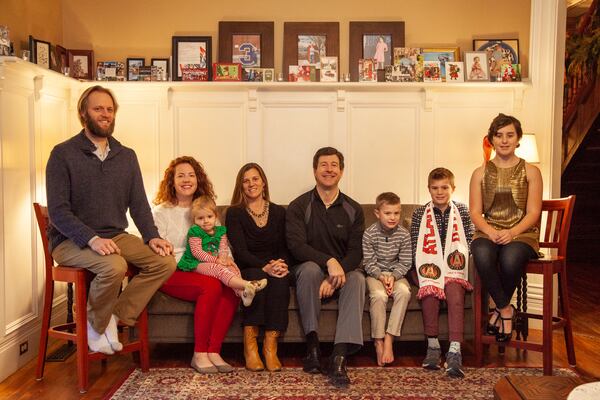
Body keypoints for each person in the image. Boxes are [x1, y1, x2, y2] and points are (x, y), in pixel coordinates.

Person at [45, 85, 176, 355]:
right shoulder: (62, 154)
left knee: (164, 261)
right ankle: (95, 325)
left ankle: (112, 319)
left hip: (115, 235)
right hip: (71, 240)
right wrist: (91, 239)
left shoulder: (126, 156)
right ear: (83, 114)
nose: (105, 114)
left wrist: (152, 237)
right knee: (114, 266)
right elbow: (58, 212)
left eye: (109, 109)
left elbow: (139, 205)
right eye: (98, 109)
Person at [286, 147, 365, 388]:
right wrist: (328, 263)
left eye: (334, 165)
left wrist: (335, 273)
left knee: (359, 279)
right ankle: (312, 348)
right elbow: (296, 245)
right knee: (309, 268)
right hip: (310, 271)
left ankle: (339, 357)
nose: (329, 169)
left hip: (342, 272)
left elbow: (356, 252)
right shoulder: (299, 206)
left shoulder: (354, 209)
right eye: (323, 165)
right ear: (314, 170)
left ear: (341, 171)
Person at [153, 156, 239, 373]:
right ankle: (199, 353)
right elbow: (155, 249)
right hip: (173, 269)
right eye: (180, 175)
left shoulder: (205, 209)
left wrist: (228, 262)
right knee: (210, 286)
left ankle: (213, 351)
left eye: (191, 175)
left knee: (230, 287)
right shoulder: (160, 212)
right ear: (171, 181)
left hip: (206, 266)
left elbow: (221, 243)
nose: (186, 180)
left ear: (198, 179)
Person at [469, 113, 542, 343]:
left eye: (510, 135)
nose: (504, 140)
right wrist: (491, 232)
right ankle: (505, 309)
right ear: (491, 139)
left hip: (522, 233)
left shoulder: (531, 171)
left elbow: (533, 213)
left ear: (518, 138)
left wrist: (512, 232)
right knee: (480, 252)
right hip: (488, 231)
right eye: (499, 135)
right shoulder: (480, 172)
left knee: (511, 258)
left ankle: (498, 312)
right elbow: (474, 212)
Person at [226, 163, 293, 372]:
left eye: (255, 179)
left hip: (274, 265)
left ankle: (270, 348)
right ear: (241, 186)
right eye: (246, 181)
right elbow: (240, 251)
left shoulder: (279, 212)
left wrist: (279, 265)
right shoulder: (234, 213)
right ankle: (251, 347)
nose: (251, 184)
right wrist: (264, 267)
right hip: (248, 266)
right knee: (256, 280)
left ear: (263, 182)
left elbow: (286, 246)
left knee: (280, 280)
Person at [411, 168, 474, 378]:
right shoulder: (420, 213)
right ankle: (433, 346)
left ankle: (455, 350)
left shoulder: (462, 212)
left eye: (444, 187)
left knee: (455, 290)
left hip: (453, 268)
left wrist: (453, 269)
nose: (440, 192)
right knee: (430, 288)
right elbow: (414, 246)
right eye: (435, 188)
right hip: (426, 265)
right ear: (428, 189)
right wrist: (427, 269)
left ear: (453, 188)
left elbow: (469, 242)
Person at [178, 196, 267, 307]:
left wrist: (225, 260)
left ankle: (242, 294)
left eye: (209, 216)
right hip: (195, 263)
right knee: (218, 269)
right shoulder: (195, 231)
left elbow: (223, 248)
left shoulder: (220, 231)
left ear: (215, 216)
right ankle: (249, 284)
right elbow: (197, 253)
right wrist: (217, 261)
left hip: (215, 260)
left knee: (233, 268)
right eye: (200, 218)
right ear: (194, 220)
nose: (205, 221)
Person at [362, 192, 412, 367]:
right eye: (388, 213)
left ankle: (390, 338)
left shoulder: (404, 235)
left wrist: (393, 276)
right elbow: (368, 262)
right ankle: (379, 341)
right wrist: (382, 277)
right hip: (375, 275)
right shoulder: (369, 234)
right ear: (377, 213)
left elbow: (406, 262)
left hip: (397, 275)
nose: (392, 218)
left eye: (396, 213)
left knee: (404, 292)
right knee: (378, 295)